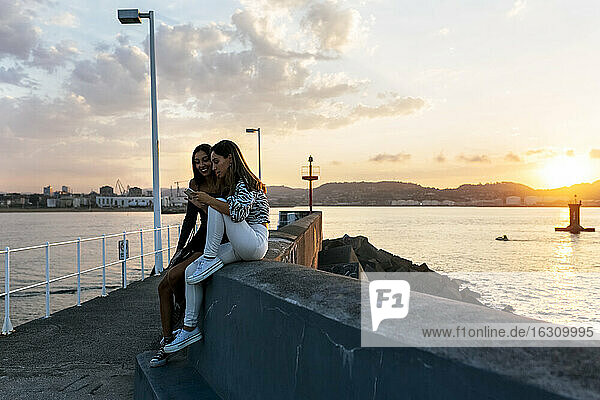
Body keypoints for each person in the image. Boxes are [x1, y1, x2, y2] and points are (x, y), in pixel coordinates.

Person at [164, 139, 270, 353]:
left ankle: (209, 257)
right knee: (191, 272)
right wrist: (204, 203)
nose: (213, 167)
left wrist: (209, 201)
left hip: (255, 241)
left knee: (217, 205)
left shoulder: (245, 181)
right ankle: (189, 327)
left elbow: (237, 213)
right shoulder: (231, 185)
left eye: (216, 162)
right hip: (240, 243)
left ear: (229, 159)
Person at [150, 144, 218, 368]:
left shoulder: (222, 182)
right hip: (199, 238)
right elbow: (190, 219)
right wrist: (179, 249)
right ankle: (168, 339)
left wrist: (206, 204)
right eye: (197, 161)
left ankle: (178, 325)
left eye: (205, 160)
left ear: (214, 159)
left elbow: (223, 218)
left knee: (174, 276)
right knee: (163, 285)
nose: (202, 165)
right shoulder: (194, 184)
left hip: (216, 240)